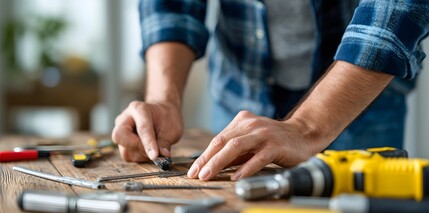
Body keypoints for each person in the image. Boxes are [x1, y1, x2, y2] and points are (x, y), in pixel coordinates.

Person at [112, 0, 429, 181]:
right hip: (238, 93)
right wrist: (163, 99)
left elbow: (397, 8)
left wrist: (305, 128)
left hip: (358, 100)